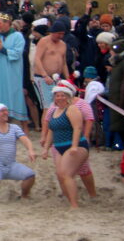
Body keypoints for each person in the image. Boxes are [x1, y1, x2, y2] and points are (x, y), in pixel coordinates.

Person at [41, 80, 90, 208]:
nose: (60, 97)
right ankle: (70, 200)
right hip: (59, 146)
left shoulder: (71, 109)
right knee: (60, 174)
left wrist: (74, 146)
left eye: (63, 95)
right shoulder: (54, 111)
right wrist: (46, 148)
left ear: (68, 97)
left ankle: (74, 205)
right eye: (57, 95)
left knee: (67, 174)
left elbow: (77, 128)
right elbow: (51, 130)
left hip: (76, 145)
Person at [0, 103, 36, 200]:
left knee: (30, 175)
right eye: (2, 111)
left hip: (11, 164)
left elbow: (25, 139)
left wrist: (30, 150)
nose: (6, 113)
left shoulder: (14, 127)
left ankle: (24, 196)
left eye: (6, 110)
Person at [0, 12, 29, 131]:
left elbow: (17, 53)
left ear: (8, 23)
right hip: (0, 73)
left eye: (0, 23)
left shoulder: (18, 36)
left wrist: (2, 49)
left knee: (16, 96)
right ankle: (3, 127)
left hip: (13, 72)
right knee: (1, 97)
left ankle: (24, 126)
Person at [33, 20, 70, 110]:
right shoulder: (44, 41)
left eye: (62, 34)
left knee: (57, 105)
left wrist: (68, 79)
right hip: (43, 78)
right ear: (52, 32)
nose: (60, 36)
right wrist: (44, 75)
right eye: (58, 34)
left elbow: (64, 63)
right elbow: (37, 59)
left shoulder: (63, 44)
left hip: (56, 79)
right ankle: (45, 124)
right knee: (48, 107)